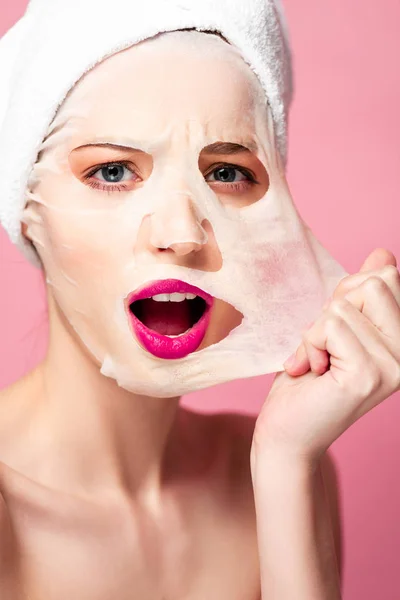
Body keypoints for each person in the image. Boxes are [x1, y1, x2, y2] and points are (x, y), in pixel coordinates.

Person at [0, 2, 399, 599]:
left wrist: (285, 467)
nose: (183, 233)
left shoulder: (279, 467)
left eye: (226, 174)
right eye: (112, 172)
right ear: (27, 213)